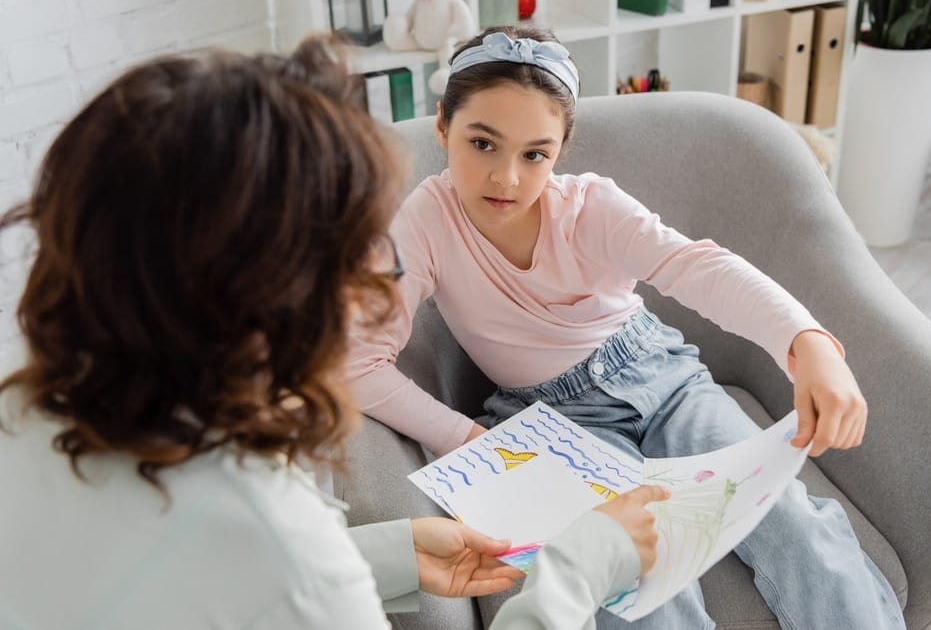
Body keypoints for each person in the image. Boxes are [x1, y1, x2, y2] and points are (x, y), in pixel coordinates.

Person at [0, 33, 670, 629]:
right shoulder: (289, 554)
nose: (372, 291)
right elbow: (268, 573)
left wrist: (378, 555)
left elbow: (181, 578)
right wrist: (581, 568)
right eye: (355, 255)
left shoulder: (23, 406)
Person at [345, 25, 907, 629]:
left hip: (662, 380)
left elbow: (698, 268)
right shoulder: (425, 221)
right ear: (442, 128)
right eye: (483, 144)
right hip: (551, 424)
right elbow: (356, 364)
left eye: (535, 154)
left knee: (790, 524)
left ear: (559, 150)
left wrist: (806, 340)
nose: (506, 177)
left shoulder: (589, 207)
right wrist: (466, 439)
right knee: (636, 585)